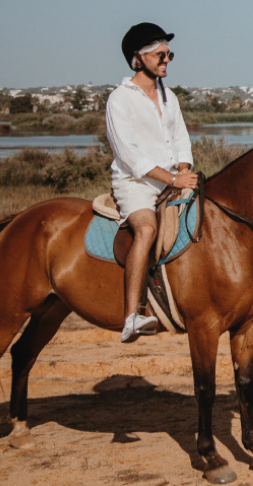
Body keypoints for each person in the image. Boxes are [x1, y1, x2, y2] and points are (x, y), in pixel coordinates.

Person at [105, 23, 199, 341]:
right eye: (160, 54)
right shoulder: (119, 99)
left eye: (168, 53)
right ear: (138, 59)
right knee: (146, 229)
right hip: (137, 184)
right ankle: (133, 315)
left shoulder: (168, 96)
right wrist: (172, 177)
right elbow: (130, 156)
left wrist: (183, 173)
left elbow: (181, 140)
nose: (167, 59)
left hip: (172, 180)